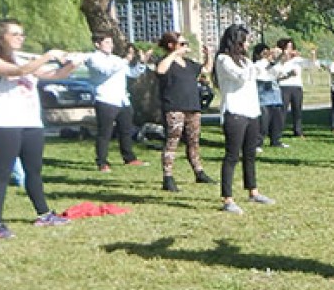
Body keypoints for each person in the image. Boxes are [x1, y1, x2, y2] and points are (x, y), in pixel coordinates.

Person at [0, 18, 83, 238]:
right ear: (1, 37)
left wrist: (72, 64)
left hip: (30, 122)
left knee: (34, 171)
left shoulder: (23, 58)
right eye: (15, 34)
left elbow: (54, 75)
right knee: (1, 173)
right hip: (3, 122)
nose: (21, 37)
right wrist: (48, 55)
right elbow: (17, 71)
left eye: (22, 33)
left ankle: (44, 213)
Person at [213, 25, 275, 213]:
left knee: (250, 154)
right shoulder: (223, 60)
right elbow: (240, 77)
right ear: (236, 41)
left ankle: (253, 191)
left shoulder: (247, 61)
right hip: (234, 112)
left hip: (251, 112)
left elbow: (261, 75)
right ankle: (227, 199)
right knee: (232, 156)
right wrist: (263, 62)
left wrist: (275, 62)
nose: (248, 43)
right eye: (245, 40)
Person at [155, 32, 214, 192]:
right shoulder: (165, 62)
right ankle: (168, 176)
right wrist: (174, 54)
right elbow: (160, 71)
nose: (185, 46)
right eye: (182, 43)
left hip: (192, 107)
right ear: (171, 45)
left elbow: (205, 70)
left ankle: (199, 171)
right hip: (174, 107)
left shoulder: (188, 64)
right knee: (172, 141)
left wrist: (209, 56)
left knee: (194, 141)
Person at [86, 31, 147, 172]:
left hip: (122, 100)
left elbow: (132, 73)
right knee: (105, 133)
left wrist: (141, 62)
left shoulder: (116, 59)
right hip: (105, 99)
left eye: (111, 43)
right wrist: (125, 59)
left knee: (126, 131)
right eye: (107, 42)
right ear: (97, 44)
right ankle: (102, 162)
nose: (110, 46)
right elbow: (107, 71)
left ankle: (129, 158)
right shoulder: (93, 59)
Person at [252, 43, 288, 149]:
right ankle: (257, 143)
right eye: (264, 52)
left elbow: (278, 74)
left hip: (275, 96)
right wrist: (279, 56)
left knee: (277, 121)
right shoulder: (257, 64)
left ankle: (276, 140)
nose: (266, 54)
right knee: (263, 122)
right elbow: (269, 66)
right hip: (263, 97)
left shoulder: (273, 64)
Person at [275, 38, 308, 138]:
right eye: (287, 47)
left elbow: (310, 64)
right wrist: (288, 74)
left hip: (297, 87)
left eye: (291, 47)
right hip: (284, 87)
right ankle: (278, 131)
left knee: (297, 110)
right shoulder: (279, 61)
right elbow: (277, 76)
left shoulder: (297, 60)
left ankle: (298, 131)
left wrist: (312, 54)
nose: (290, 50)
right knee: (282, 111)